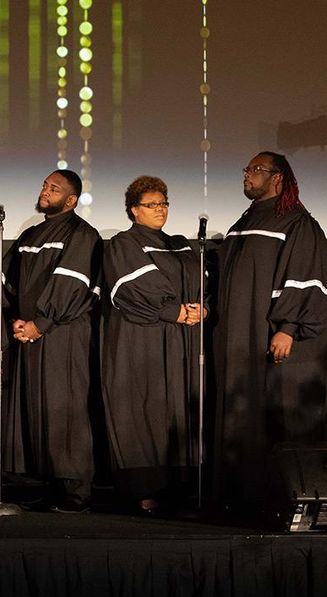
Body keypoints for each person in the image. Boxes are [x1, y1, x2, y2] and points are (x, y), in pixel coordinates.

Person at [213, 151, 327, 512]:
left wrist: (288, 327)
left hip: (273, 337)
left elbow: (307, 278)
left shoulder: (296, 223)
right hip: (238, 338)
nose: (247, 175)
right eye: (246, 168)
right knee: (242, 413)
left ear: (277, 178)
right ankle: (243, 496)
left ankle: (286, 500)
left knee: (278, 415)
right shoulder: (245, 221)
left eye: (256, 170)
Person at [101, 176, 204, 515]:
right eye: (151, 205)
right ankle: (145, 489)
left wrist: (202, 306)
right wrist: (173, 310)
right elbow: (133, 290)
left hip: (179, 339)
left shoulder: (180, 244)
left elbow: (201, 281)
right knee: (143, 410)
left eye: (164, 203)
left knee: (175, 407)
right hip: (139, 340)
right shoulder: (123, 243)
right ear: (133, 210)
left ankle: (181, 484)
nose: (160, 210)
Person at [3, 169, 102, 512]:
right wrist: (15, 320)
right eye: (45, 184)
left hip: (65, 334)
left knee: (66, 408)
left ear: (71, 199)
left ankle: (76, 492)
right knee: (37, 407)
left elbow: (73, 284)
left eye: (54, 188)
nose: (45, 190)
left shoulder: (81, 234)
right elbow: (9, 281)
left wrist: (41, 322)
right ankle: (47, 481)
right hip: (30, 334)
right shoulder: (30, 235)